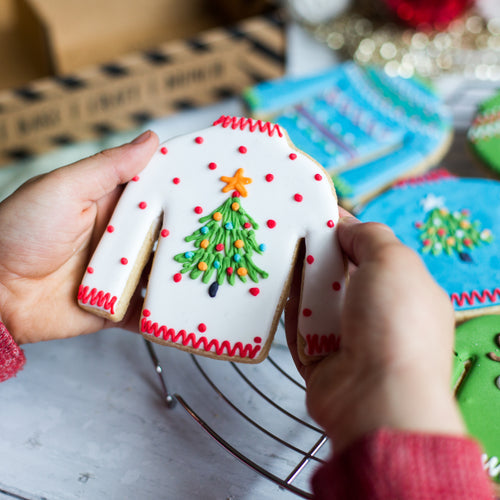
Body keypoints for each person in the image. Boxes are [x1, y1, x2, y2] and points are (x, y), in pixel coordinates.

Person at [0, 133, 495, 498]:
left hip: (181, 317)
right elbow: (323, 262)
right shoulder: (304, 178)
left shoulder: (186, 154)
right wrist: (334, 347)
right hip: (217, 328)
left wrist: (63, 289)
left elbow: (137, 213)